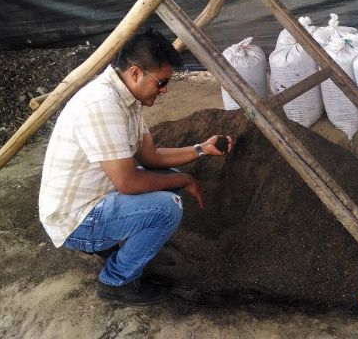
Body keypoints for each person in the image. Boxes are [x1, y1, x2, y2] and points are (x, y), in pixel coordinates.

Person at [38, 28, 232, 306]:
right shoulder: (102, 105)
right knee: (167, 207)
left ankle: (116, 250)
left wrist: (201, 148)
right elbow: (128, 183)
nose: (164, 91)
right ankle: (115, 282)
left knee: (169, 179)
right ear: (136, 73)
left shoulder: (126, 97)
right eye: (162, 82)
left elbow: (150, 156)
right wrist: (186, 182)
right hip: (74, 219)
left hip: (97, 195)